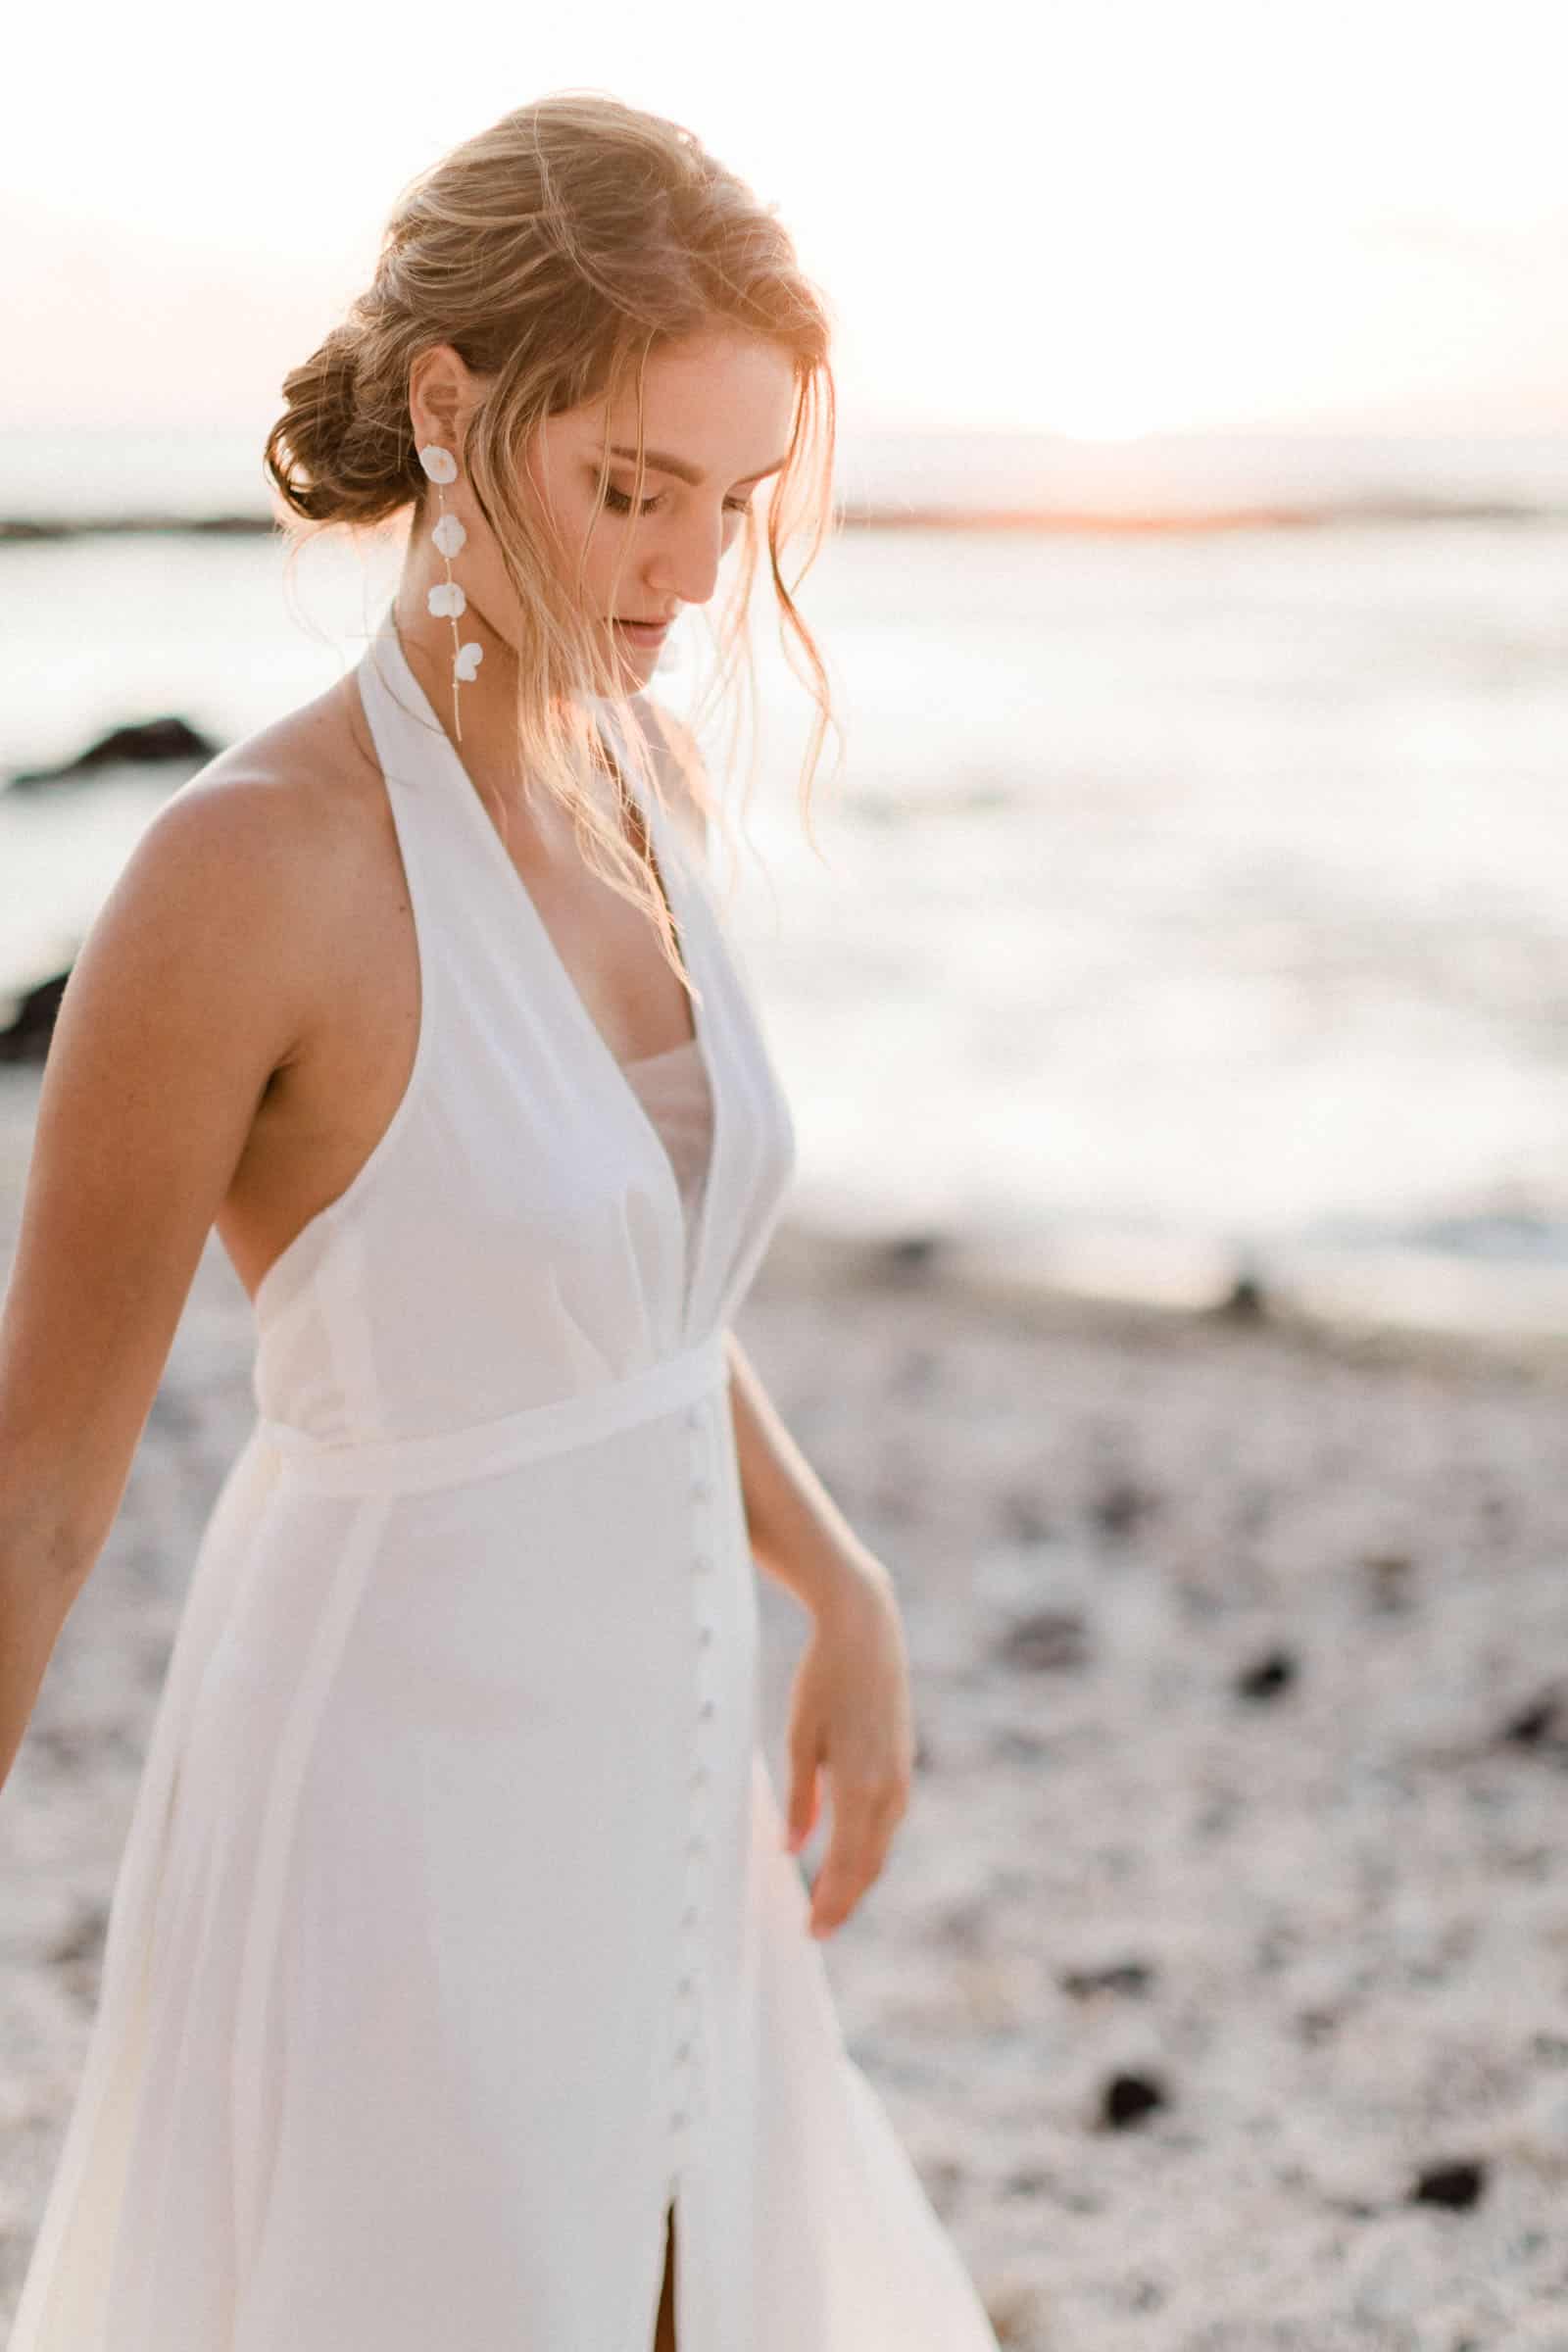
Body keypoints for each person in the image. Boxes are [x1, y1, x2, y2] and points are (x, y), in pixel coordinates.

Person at [0, 93, 1001, 2349]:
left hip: (666, 1755)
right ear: (456, 416)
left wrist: (829, 1567)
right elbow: (41, 1491)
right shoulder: (240, 876)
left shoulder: (629, 784)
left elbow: (609, 1293)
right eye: (628, 489)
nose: (680, 571)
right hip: (394, 1785)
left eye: (728, 507)